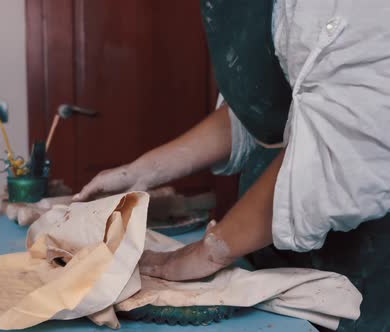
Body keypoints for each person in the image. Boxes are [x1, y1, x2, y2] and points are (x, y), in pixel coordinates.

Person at [74, 1, 390, 331]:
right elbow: (261, 108)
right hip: (267, 250)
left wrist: (211, 251)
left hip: (363, 265)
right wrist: (141, 172)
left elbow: (350, 140)